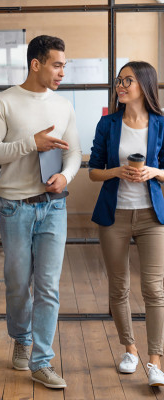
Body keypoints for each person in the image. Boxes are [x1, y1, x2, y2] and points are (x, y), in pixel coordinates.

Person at [0, 35, 81, 389]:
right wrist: (30, 144)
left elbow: (74, 154)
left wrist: (64, 176)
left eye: (64, 65)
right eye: (57, 64)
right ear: (35, 64)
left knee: (48, 286)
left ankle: (41, 360)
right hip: (14, 208)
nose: (62, 72)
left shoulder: (64, 105)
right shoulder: (4, 102)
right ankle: (21, 340)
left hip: (54, 206)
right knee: (18, 284)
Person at [89, 61, 164, 386]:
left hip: (151, 217)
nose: (120, 85)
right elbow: (93, 170)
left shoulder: (161, 124)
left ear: (144, 85)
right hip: (114, 215)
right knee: (119, 287)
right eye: (119, 80)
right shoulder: (108, 124)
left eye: (127, 80)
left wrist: (156, 172)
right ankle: (130, 349)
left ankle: (155, 361)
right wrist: (116, 171)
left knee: (154, 288)